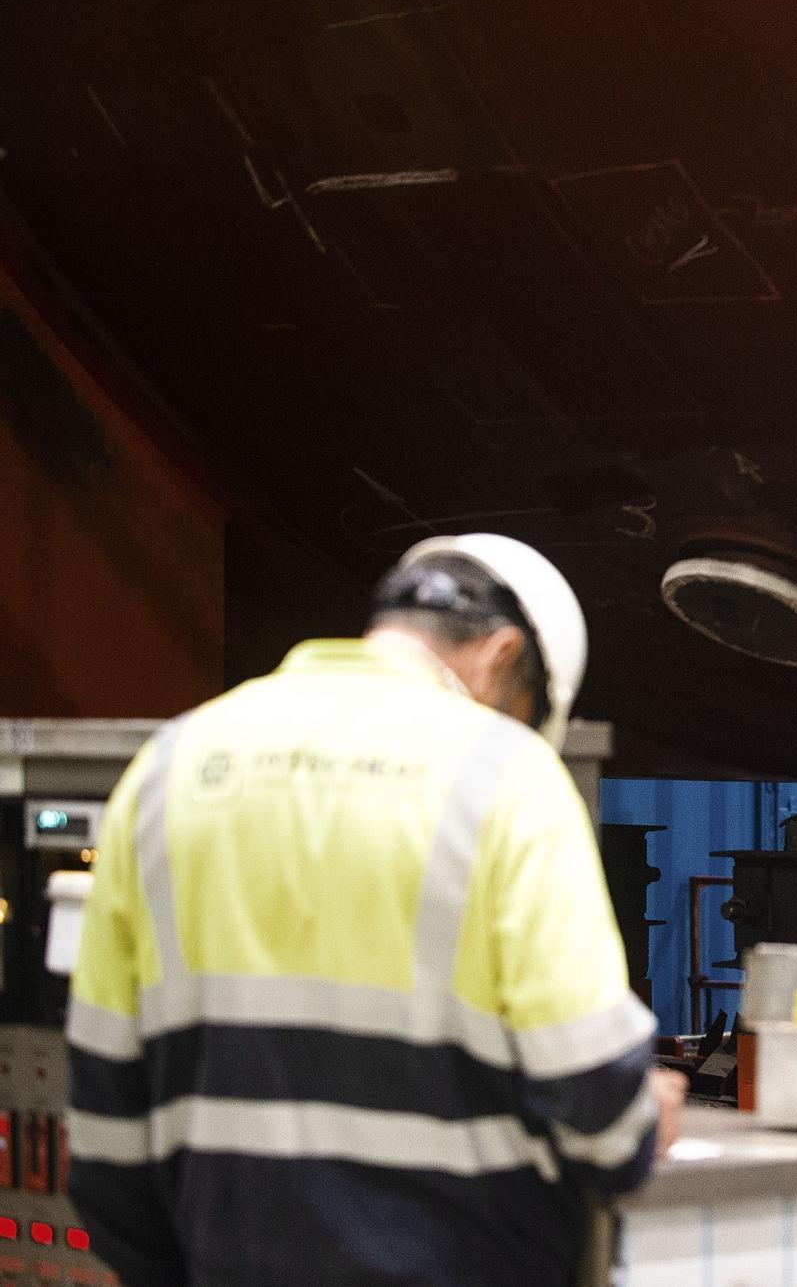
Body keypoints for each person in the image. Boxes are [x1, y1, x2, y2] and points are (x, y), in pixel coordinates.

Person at [65, 533, 685, 1287]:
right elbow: (598, 1102)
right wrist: (643, 1114)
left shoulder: (166, 768)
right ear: (501, 654)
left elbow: (103, 1123)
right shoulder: (506, 774)